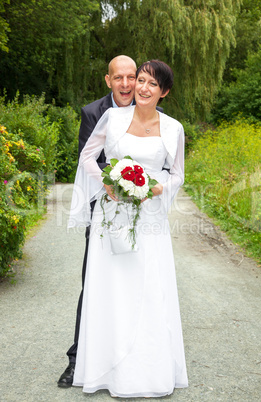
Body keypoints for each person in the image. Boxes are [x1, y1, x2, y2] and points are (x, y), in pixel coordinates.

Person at [68, 60, 188, 398]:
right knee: (112, 289)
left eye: (153, 84)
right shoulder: (113, 118)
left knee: (148, 289)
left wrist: (160, 188)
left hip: (149, 219)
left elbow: (177, 173)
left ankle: (147, 371)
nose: (143, 88)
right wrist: (107, 183)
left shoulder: (173, 128)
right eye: (142, 81)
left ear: (163, 92)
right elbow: (88, 157)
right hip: (112, 216)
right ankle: (105, 369)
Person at [57, 55, 137, 388]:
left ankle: (131, 358)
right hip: (103, 212)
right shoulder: (93, 113)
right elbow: (89, 161)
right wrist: (116, 184)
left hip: (141, 216)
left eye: (131, 77)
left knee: (135, 284)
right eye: (119, 78)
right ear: (108, 80)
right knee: (92, 282)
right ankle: (78, 360)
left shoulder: (153, 113)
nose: (126, 84)